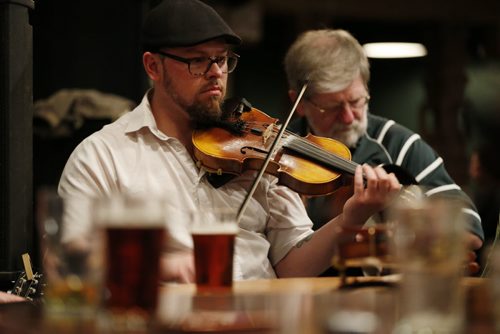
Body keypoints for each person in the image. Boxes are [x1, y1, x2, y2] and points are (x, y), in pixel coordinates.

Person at [58, 0, 400, 283]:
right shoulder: (102, 156)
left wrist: (350, 218)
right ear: (153, 66)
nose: (216, 72)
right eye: (196, 60)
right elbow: (69, 258)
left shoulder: (259, 147)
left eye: (221, 59)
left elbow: (294, 267)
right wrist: (169, 267)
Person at [284, 29, 484, 273]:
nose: (348, 118)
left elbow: (469, 228)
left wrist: (403, 236)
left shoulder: (399, 144)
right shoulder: (279, 154)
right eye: (332, 107)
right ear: (300, 103)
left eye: (356, 101)